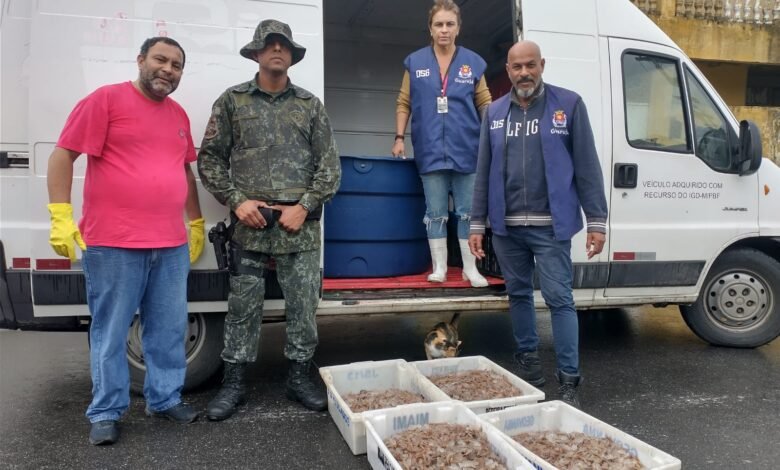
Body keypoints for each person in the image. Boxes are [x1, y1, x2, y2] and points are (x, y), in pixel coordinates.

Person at [46, 37, 205, 445]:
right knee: (111, 332)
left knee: (169, 330)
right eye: (161, 60)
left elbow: (185, 172)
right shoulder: (106, 101)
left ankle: (165, 398)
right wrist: (60, 215)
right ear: (141, 60)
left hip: (169, 244)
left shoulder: (178, 115)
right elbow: (63, 154)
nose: (168, 69)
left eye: (177, 65)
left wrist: (196, 221)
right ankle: (106, 411)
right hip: (114, 243)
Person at [198, 19, 341, 421]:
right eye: (269, 44)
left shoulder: (310, 105)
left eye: (283, 45)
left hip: (300, 224)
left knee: (302, 306)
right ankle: (235, 382)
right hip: (250, 224)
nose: (276, 49)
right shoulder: (232, 102)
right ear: (257, 53)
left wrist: (305, 205)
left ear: (292, 56)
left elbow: (330, 168)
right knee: (243, 307)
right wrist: (237, 201)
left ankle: (298, 378)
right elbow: (208, 159)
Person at [468, 40, 608, 408]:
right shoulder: (494, 113)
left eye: (530, 65)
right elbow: (482, 171)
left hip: (551, 227)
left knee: (560, 300)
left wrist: (597, 220)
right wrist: (476, 224)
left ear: (542, 65)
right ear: (508, 70)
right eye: (517, 67)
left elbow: (587, 166)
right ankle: (530, 374)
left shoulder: (569, 105)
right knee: (517, 296)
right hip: (506, 228)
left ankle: (569, 383)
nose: (524, 73)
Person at [391, 0, 491, 287]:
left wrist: (493, 135)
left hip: (468, 150)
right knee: (435, 213)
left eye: (450, 24)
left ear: (458, 28)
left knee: (468, 213)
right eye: (439, 24)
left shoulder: (473, 62)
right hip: (430, 149)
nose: (444, 30)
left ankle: (471, 269)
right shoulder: (415, 61)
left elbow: (484, 102)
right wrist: (399, 138)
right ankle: (440, 268)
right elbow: (404, 102)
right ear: (430, 29)